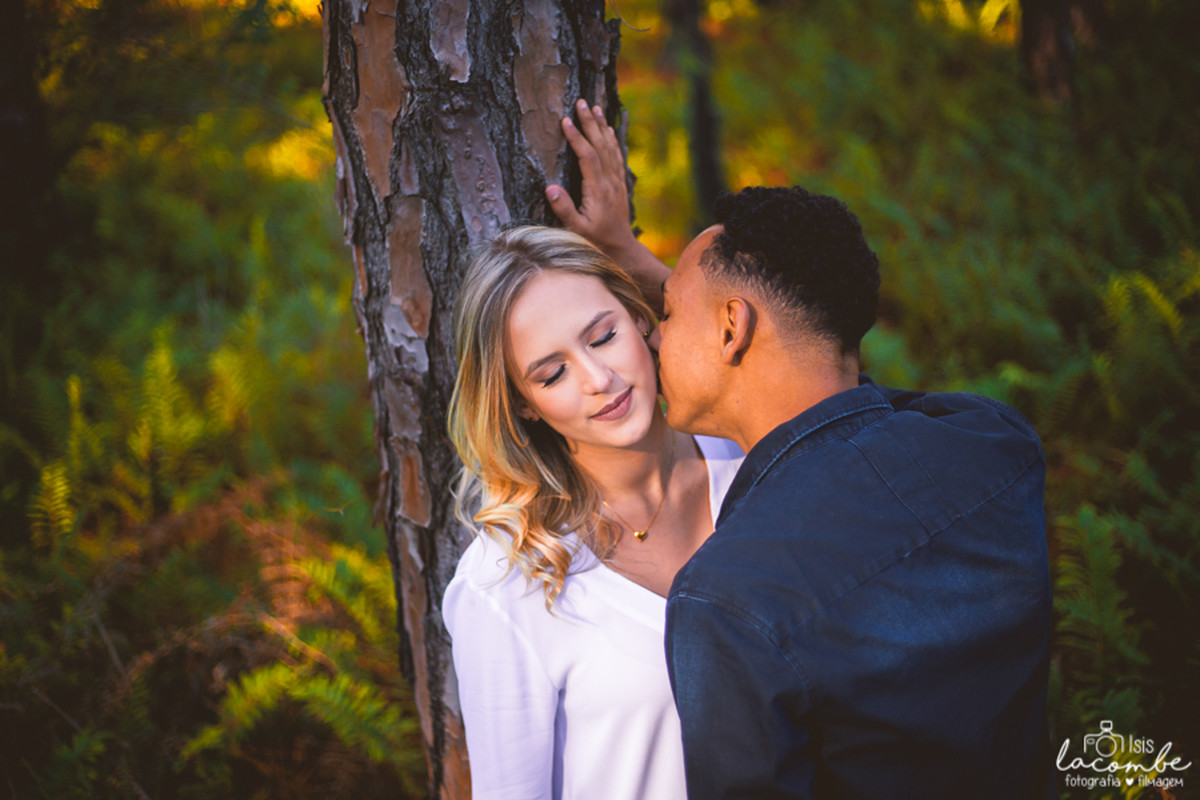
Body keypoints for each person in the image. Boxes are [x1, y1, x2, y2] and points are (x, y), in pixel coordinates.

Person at [547, 100, 1055, 798]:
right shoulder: (994, 446)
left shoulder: (728, 601)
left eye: (667, 315)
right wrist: (631, 257)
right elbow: (823, 374)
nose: (653, 339)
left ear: (732, 329)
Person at [442, 224, 743, 800]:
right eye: (551, 374)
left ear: (638, 317)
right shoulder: (506, 583)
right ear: (524, 407)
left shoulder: (751, 461)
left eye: (603, 337)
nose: (598, 381)